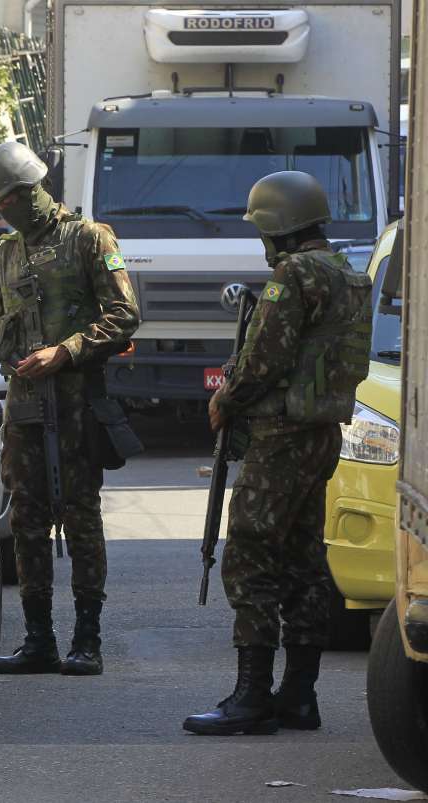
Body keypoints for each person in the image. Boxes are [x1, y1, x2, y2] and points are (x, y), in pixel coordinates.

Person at [183, 171, 372, 735]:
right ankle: (298, 696)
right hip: (321, 434)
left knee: (250, 555)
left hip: (282, 435)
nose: (262, 243)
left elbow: (265, 357)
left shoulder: (294, 275)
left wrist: (226, 399)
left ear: (279, 229)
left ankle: (251, 696)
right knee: (304, 559)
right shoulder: (348, 275)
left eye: (262, 231)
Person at [0, 141, 139, 677]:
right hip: (26, 412)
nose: (2, 211)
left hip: (77, 406)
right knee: (28, 525)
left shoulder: (88, 239)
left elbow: (125, 314)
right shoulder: (2, 256)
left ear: (33, 190)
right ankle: (38, 638)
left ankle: (87, 638)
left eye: (8, 201)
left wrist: (66, 351)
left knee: (80, 520)